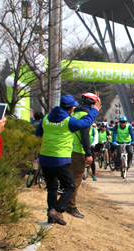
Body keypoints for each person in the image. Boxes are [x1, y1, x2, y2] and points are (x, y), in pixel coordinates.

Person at [35, 94, 100, 225]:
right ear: (71, 108)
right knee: (70, 186)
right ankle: (57, 210)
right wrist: (95, 110)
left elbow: (37, 134)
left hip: (45, 157)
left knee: (52, 187)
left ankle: (51, 216)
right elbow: (86, 123)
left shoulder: (46, 118)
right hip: (59, 159)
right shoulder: (68, 121)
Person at [67, 93, 99, 218]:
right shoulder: (85, 115)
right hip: (78, 151)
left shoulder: (74, 113)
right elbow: (85, 136)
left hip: (69, 149)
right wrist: (88, 154)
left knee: (69, 178)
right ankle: (71, 206)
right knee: (76, 180)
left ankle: (67, 203)